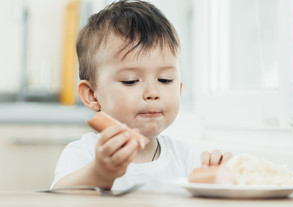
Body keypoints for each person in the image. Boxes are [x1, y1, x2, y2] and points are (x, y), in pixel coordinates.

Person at [51, 0, 232, 190]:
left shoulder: (189, 160)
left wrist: (223, 174)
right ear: (92, 95)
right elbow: (61, 198)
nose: (152, 93)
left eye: (165, 80)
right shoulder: (84, 153)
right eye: (130, 81)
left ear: (179, 88)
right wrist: (100, 173)